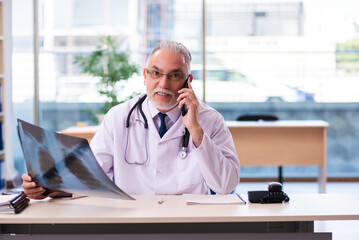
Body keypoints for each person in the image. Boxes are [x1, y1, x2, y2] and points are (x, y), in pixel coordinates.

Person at [22, 41, 240, 199]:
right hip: (134, 221)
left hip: (190, 223)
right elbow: (90, 177)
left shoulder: (210, 120)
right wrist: (46, 189)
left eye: (174, 76)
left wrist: (195, 130)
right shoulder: (119, 117)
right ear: (145, 75)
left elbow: (226, 185)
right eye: (156, 73)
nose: (163, 84)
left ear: (188, 81)